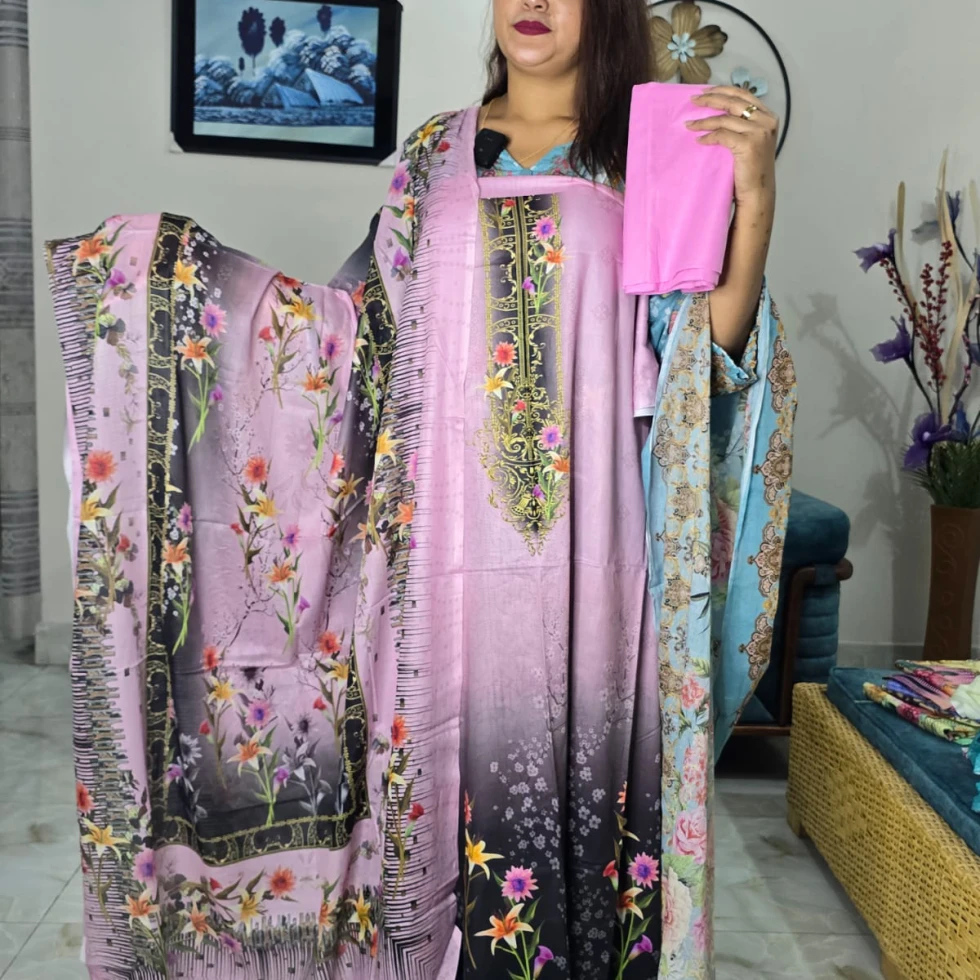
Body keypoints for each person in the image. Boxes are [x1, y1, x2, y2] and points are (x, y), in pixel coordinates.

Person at [49, 0, 794, 977]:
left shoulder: (639, 151)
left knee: (575, 793)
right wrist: (167, 286)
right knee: (432, 808)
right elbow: (356, 346)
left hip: (593, 562)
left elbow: (696, 356)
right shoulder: (431, 158)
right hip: (437, 561)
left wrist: (754, 197)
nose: (532, 2)